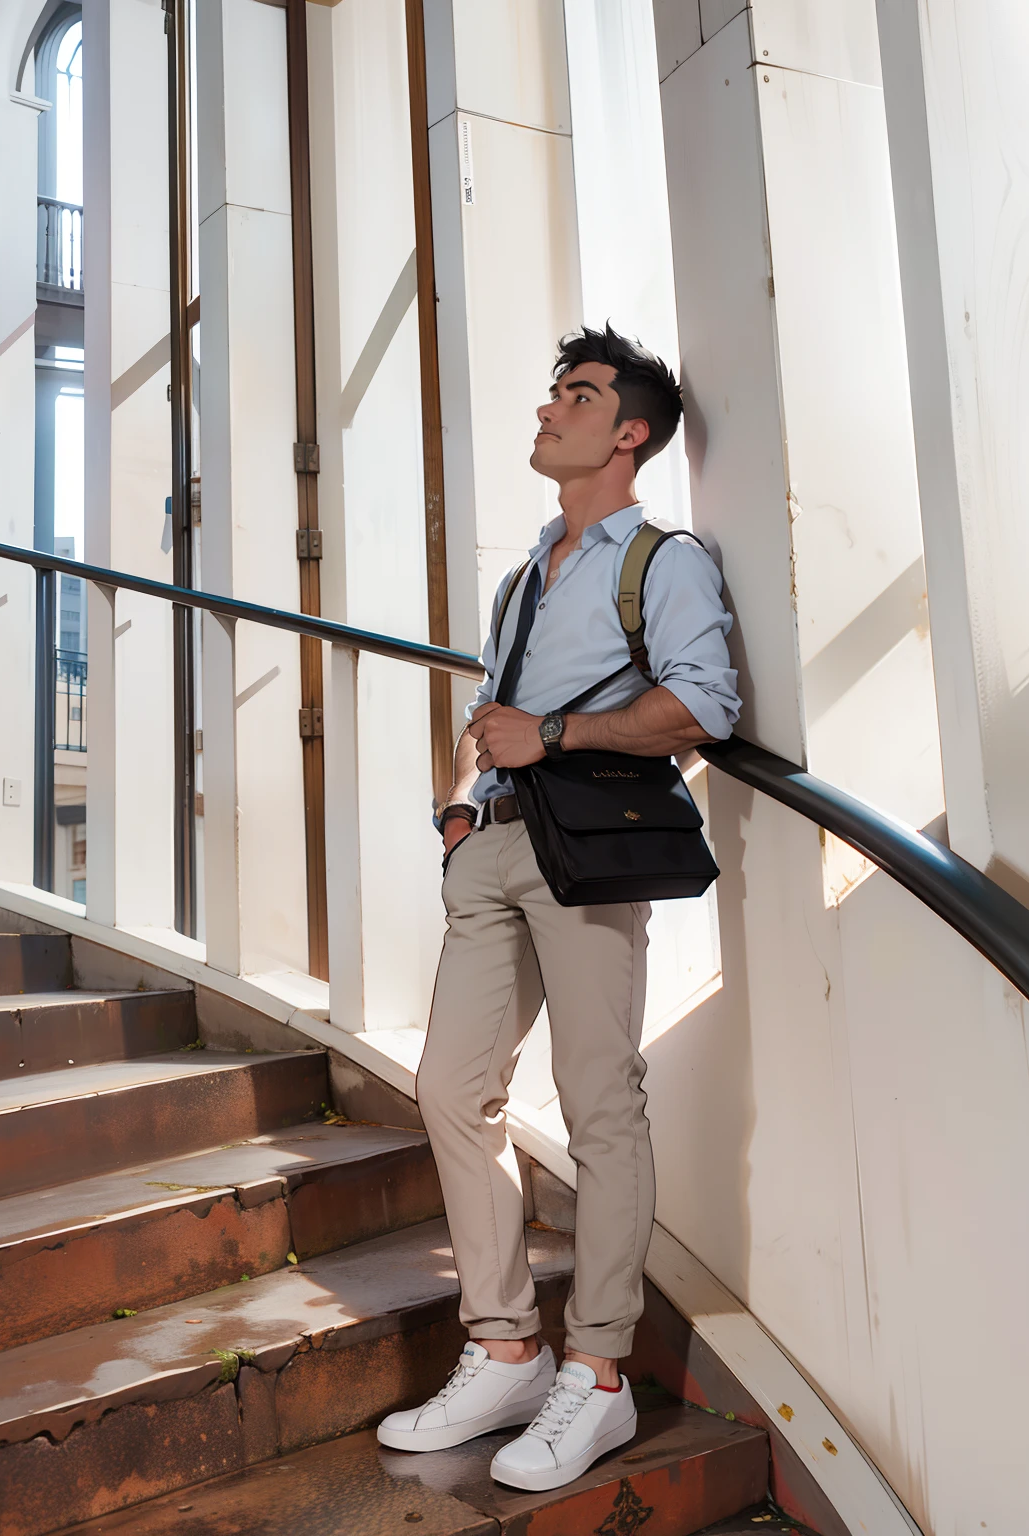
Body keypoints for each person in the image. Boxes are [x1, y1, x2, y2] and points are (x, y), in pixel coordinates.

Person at [377, 324, 741, 1491]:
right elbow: (494, 707)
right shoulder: (524, 572)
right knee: (450, 1086)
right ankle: (504, 1348)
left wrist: (558, 736)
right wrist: (459, 814)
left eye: (575, 397)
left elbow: (706, 706)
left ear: (628, 433)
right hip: (491, 847)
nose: (549, 411)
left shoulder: (662, 562)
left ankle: (597, 1377)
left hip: (590, 853)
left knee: (598, 1100)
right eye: (551, 394)